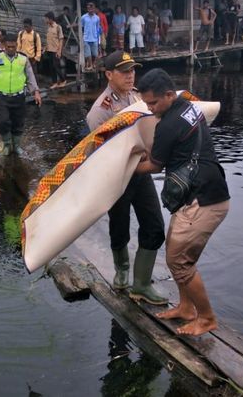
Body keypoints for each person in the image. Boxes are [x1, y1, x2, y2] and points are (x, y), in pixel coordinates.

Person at [135, 68, 230, 336]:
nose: (151, 109)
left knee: (178, 260)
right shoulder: (188, 106)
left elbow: (154, 165)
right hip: (207, 192)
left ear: (168, 95)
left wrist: (123, 169)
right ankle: (186, 308)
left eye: (153, 103)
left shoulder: (168, 124)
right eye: (146, 104)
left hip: (204, 200)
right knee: (179, 253)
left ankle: (207, 318)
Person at [86, 51, 166, 305]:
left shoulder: (137, 96)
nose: (131, 75)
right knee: (119, 225)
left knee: (154, 225)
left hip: (141, 173)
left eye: (132, 70)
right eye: (124, 71)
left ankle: (141, 283)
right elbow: (102, 151)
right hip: (117, 178)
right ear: (109, 75)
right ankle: (122, 271)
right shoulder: (100, 111)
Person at [0, 38, 42, 156]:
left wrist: (36, 92)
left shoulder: (23, 59)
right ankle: (7, 145)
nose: (10, 49)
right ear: (4, 45)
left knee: (18, 122)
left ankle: (17, 145)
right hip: (1, 96)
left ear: (17, 46)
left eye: (13, 47)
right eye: (8, 46)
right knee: (2, 121)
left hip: (18, 96)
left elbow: (30, 77)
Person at [43, 11, 67, 89]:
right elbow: (48, 40)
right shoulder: (48, 28)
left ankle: (63, 80)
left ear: (50, 19)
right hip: (49, 50)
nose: (45, 20)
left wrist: (59, 51)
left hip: (56, 50)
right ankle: (55, 82)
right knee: (51, 68)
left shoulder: (57, 27)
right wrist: (45, 48)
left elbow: (61, 39)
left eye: (46, 19)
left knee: (56, 66)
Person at [81, 2, 101, 72]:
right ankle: (90, 65)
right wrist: (83, 35)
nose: (90, 10)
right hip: (86, 38)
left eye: (92, 9)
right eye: (89, 9)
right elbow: (82, 27)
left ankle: (93, 64)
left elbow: (98, 28)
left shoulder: (97, 18)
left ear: (94, 9)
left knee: (95, 54)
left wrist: (99, 38)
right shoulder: (83, 17)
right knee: (88, 53)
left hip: (94, 38)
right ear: (87, 9)